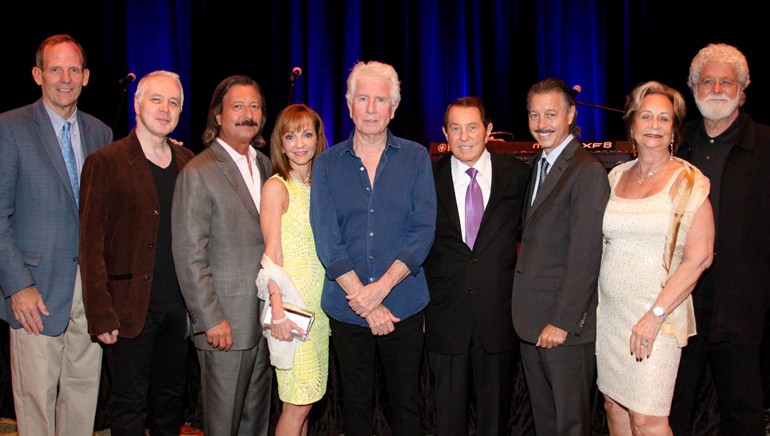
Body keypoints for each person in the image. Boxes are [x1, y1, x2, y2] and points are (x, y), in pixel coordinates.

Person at [309, 60, 436, 436]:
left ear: (394, 108)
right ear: (348, 106)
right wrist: (362, 299)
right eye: (361, 98)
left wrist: (378, 293)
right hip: (347, 309)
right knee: (356, 406)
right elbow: (327, 239)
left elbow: (423, 230)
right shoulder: (327, 164)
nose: (370, 108)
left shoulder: (416, 158)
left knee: (406, 405)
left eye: (380, 99)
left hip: (403, 305)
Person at [0, 34, 112, 435]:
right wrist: (17, 286)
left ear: (85, 77)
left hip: (89, 292)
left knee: (83, 394)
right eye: (54, 69)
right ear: (37, 74)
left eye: (72, 69)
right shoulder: (9, 127)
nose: (64, 78)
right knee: (36, 402)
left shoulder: (101, 133)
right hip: (36, 292)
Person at [79, 70, 194, 435]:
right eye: (156, 99)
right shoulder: (105, 161)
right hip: (127, 310)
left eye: (173, 102)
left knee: (169, 402)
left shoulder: (188, 163)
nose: (165, 109)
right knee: (128, 404)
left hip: (178, 310)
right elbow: (90, 244)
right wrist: (101, 314)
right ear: (137, 103)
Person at [596, 80, 714, 435]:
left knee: (647, 418)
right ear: (632, 124)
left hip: (658, 317)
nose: (655, 126)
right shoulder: (616, 176)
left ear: (674, 129)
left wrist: (655, 315)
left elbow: (700, 258)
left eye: (664, 119)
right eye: (646, 117)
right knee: (614, 405)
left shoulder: (689, 181)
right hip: (611, 316)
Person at [670, 43, 770, 436]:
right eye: (707, 80)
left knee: (743, 412)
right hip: (681, 301)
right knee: (671, 408)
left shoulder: (765, 145)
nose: (716, 88)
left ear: (742, 90)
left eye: (726, 81)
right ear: (693, 87)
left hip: (741, 302)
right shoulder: (677, 142)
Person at [171, 75, 272, 436]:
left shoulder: (265, 165)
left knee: (256, 421)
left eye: (255, 106)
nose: (248, 114)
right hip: (225, 325)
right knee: (223, 424)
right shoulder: (198, 172)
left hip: (264, 320)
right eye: (238, 106)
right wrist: (210, 319)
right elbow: (188, 254)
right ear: (218, 115)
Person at [423, 96, 529, 435]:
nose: (464, 136)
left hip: (498, 319)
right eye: (455, 128)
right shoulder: (426, 178)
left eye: (472, 127)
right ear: (444, 133)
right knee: (448, 422)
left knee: (494, 421)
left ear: (489, 131)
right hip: (445, 318)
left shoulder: (518, 177)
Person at [511, 77, 610, 436]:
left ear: (570, 114)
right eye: (534, 115)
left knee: (570, 425)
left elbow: (586, 255)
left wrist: (564, 322)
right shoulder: (539, 163)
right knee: (547, 423)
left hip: (563, 328)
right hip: (532, 321)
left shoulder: (586, 171)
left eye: (551, 114)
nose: (542, 124)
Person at [257, 103, 330, 436]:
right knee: (296, 403)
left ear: (317, 138)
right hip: (291, 307)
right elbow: (271, 253)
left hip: (318, 310)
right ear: (280, 143)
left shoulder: (320, 188)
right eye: (290, 135)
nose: (299, 143)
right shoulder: (277, 186)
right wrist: (278, 312)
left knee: (306, 402)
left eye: (306, 133)